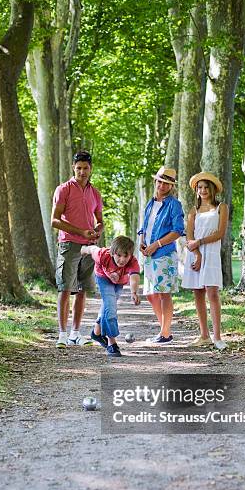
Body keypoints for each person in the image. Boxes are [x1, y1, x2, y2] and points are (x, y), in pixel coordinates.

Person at [51, 151, 104, 348]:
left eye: (86, 168)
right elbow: (54, 221)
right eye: (79, 168)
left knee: (82, 290)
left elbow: (100, 221)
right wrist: (81, 231)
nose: (82, 172)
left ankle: (75, 333)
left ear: (91, 169)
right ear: (73, 167)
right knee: (65, 288)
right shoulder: (63, 190)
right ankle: (62, 334)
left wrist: (97, 230)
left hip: (89, 247)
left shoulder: (95, 193)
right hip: (69, 245)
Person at [182, 171, 229, 350]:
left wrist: (200, 243)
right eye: (199, 187)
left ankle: (217, 337)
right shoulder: (193, 211)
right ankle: (204, 335)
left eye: (205, 187)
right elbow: (189, 236)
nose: (202, 190)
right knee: (198, 293)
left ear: (212, 189)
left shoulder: (221, 208)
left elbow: (219, 233)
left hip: (212, 254)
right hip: (196, 255)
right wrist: (197, 254)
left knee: (213, 293)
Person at [139, 166, 184, 344]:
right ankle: (164, 330)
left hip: (164, 254)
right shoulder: (150, 203)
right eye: (160, 181)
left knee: (164, 293)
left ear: (172, 186)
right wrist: (142, 241)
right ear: (155, 181)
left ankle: (165, 333)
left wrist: (156, 244)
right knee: (151, 295)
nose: (162, 186)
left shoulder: (174, 205)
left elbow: (178, 231)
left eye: (167, 183)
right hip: (149, 254)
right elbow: (144, 227)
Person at [81, 236, 140, 357]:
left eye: (126, 256)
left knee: (108, 306)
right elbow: (93, 249)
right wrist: (84, 249)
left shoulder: (132, 262)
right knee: (110, 307)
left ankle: (96, 333)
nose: (122, 260)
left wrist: (134, 292)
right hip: (103, 278)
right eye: (119, 255)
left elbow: (134, 276)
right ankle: (111, 343)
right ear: (112, 252)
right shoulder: (103, 255)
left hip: (119, 283)